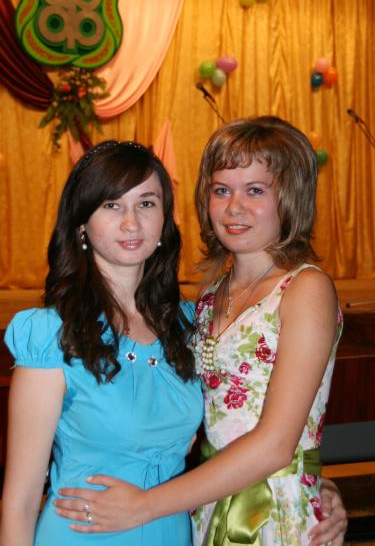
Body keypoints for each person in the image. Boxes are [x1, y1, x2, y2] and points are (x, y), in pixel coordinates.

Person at [52, 117, 347, 545]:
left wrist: (144, 505)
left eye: (255, 191)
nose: (234, 207)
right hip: (206, 502)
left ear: (290, 196)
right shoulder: (207, 298)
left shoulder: (305, 289)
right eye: (221, 190)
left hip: (272, 514)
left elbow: (277, 445)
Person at [0, 141, 204, 546]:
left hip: (171, 532)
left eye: (146, 203)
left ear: (165, 219)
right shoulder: (50, 334)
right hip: (82, 536)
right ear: (82, 223)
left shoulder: (187, 325)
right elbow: (20, 501)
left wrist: (316, 487)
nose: (131, 223)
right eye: (112, 205)